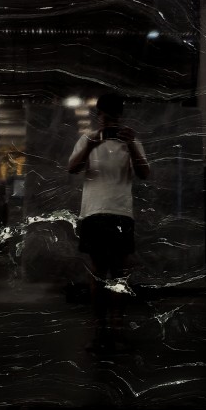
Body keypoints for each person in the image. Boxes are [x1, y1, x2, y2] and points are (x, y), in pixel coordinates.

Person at [67, 93, 150, 351]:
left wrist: (132, 144)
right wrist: (91, 145)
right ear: (99, 116)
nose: (109, 121)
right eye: (105, 117)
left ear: (120, 117)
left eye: (113, 117)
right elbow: (72, 168)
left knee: (119, 274)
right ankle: (99, 332)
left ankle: (117, 331)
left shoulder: (131, 142)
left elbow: (145, 173)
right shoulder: (88, 139)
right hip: (94, 212)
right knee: (98, 273)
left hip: (121, 213)